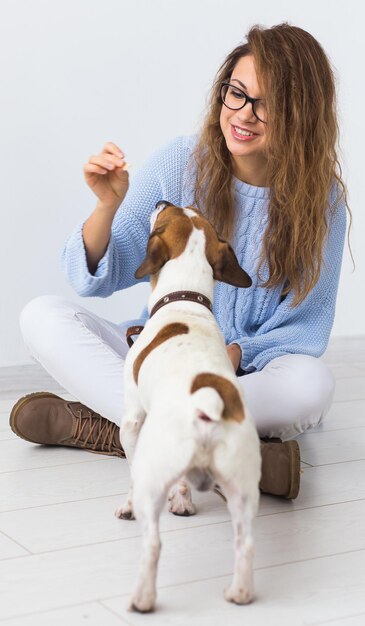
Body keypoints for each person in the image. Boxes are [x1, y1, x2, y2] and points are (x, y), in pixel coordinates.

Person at [10, 22, 350, 500]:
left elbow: (303, 330)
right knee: (41, 317)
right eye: (237, 92)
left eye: (267, 102)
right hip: (159, 356)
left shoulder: (323, 202)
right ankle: (218, 449)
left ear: (302, 115)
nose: (245, 114)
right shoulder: (180, 162)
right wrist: (106, 207)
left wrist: (234, 356)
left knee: (312, 386)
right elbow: (96, 277)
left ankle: (125, 432)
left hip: (238, 376)